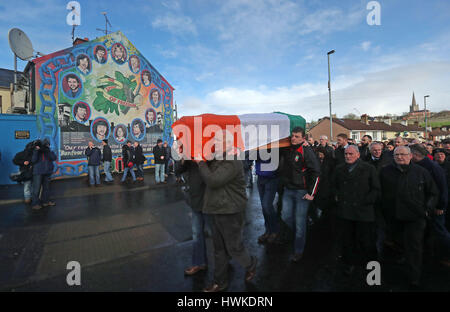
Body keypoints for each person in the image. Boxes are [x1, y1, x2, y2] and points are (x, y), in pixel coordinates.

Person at [195, 129, 257, 292]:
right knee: (219, 249)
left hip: (230, 210)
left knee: (234, 247)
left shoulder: (232, 161)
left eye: (218, 141)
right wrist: (204, 159)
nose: (214, 144)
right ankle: (219, 283)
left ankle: (251, 263)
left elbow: (213, 180)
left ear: (229, 144)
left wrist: (201, 162)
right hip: (217, 209)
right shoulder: (219, 158)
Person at [380, 146, 439, 287]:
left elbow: (433, 192)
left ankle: (414, 276)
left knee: (414, 247)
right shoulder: (385, 172)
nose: (400, 157)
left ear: (410, 156)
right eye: (397, 155)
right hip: (393, 216)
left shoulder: (421, 172)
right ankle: (401, 267)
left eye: (403, 154)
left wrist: (427, 210)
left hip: (415, 217)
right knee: (398, 244)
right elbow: (380, 191)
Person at [332, 145, 380, 275]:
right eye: (346, 154)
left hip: (363, 211)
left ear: (358, 155)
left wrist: (366, 201)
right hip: (346, 210)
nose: (348, 156)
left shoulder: (369, 168)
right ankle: (349, 263)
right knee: (347, 239)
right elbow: (334, 186)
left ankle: (371, 265)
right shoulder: (339, 169)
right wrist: (338, 197)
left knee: (366, 240)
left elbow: (375, 188)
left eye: (351, 154)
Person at [280, 127, 321, 262]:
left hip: (302, 192)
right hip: (288, 189)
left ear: (303, 138)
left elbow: (316, 171)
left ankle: (298, 250)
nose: (293, 138)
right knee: (285, 217)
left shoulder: (306, 150)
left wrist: (312, 193)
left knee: (299, 223)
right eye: (292, 136)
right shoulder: (287, 148)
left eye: (297, 136)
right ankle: (301, 232)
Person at [410, 144, 450, 266]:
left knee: (440, 231)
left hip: (435, 206)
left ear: (415, 155)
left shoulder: (433, 167)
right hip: (423, 205)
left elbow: (442, 188)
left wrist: (441, 206)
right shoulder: (418, 165)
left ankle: (447, 255)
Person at [176, 159, 209, 276]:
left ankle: (227, 259)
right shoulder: (189, 156)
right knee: (197, 234)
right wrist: (183, 161)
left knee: (218, 233)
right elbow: (178, 171)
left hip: (210, 200)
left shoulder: (211, 151)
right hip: (196, 200)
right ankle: (199, 262)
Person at [255, 149, 280, 244]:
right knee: (264, 207)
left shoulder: (274, 144)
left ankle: (274, 230)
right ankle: (268, 230)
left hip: (271, 178)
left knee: (267, 206)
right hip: (261, 177)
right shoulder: (258, 144)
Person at [31, 139, 57, 210]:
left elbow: (54, 158)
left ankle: (45, 201)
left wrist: (48, 151)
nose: (47, 145)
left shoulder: (48, 151)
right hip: (38, 172)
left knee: (46, 188)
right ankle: (35, 203)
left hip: (47, 172)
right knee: (36, 189)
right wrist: (36, 150)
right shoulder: (36, 151)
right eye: (46, 144)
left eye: (48, 144)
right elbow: (33, 160)